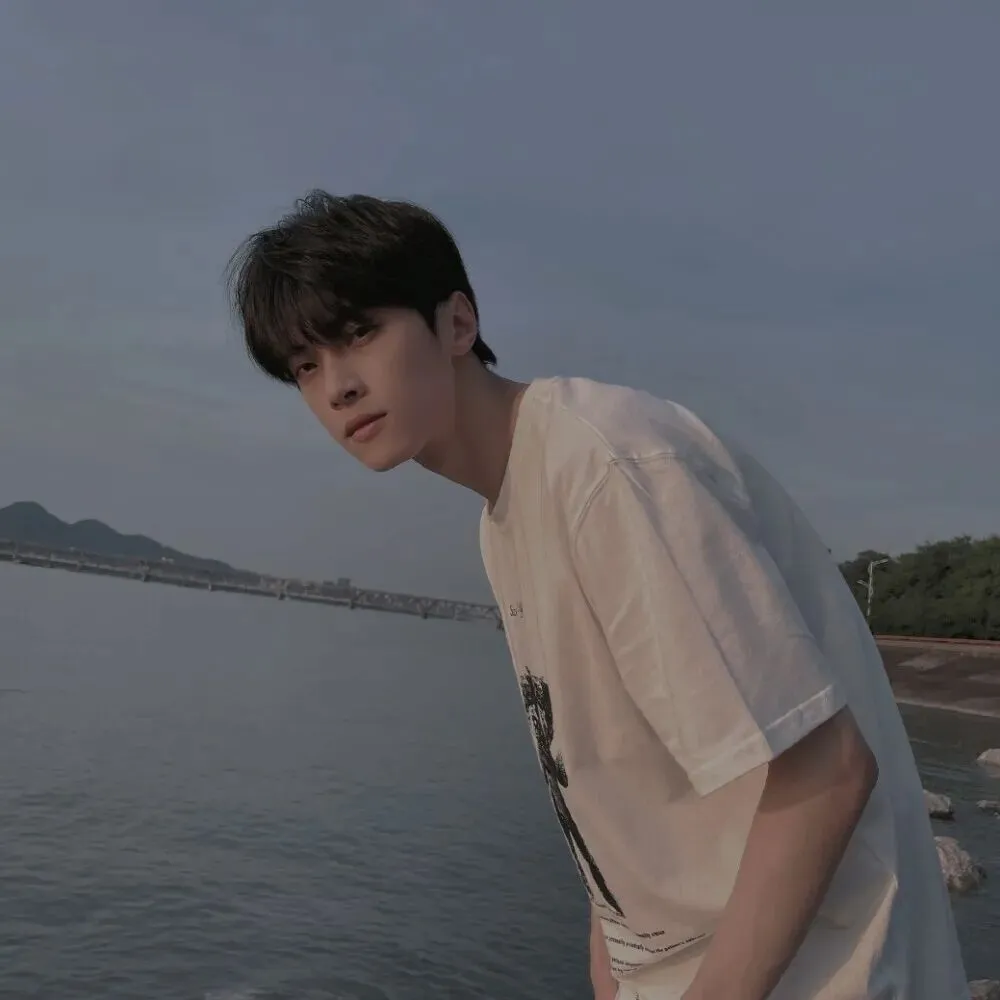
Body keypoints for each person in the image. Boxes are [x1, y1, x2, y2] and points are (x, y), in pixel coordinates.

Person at [226, 191, 969, 1000]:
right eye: (304, 366)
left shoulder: (610, 468)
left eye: (358, 333)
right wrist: (614, 955)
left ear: (458, 323)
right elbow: (607, 768)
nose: (336, 387)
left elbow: (826, 772)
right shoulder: (510, 513)